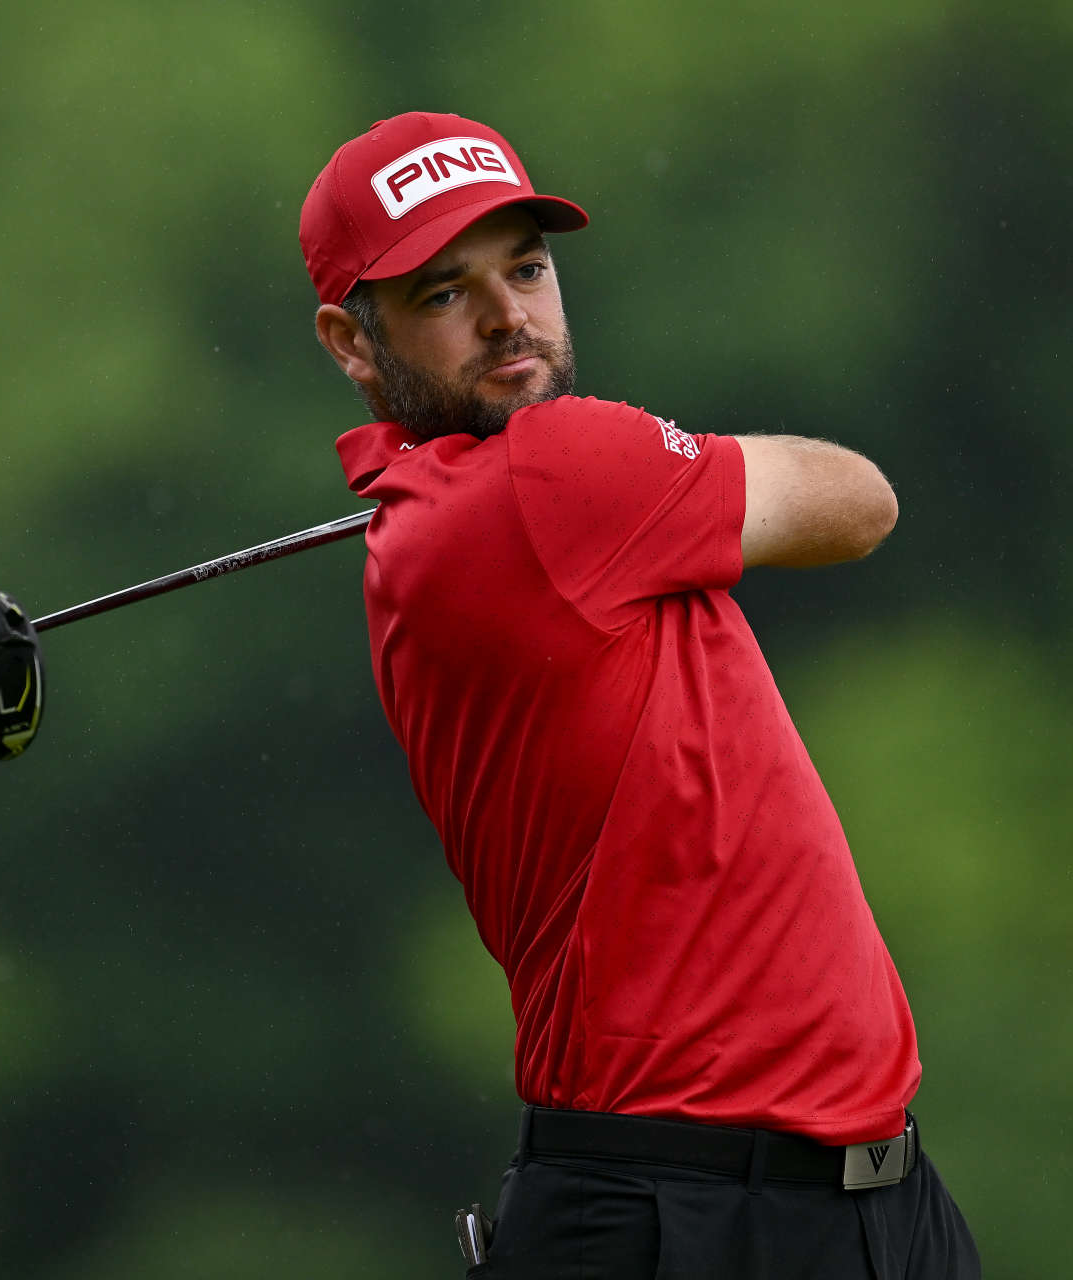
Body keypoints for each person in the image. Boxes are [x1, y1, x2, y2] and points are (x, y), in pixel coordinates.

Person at [300, 112, 980, 1278]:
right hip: (695, 1212)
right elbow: (861, 501)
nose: (509, 314)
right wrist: (673, 452)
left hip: (860, 1197)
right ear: (352, 344)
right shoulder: (560, 474)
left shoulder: (447, 515)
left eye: (525, 267)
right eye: (444, 292)